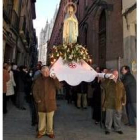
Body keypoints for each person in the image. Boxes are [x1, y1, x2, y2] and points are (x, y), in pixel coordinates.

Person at [33, 66, 60, 139]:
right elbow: (34, 91)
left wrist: (55, 79)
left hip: (50, 102)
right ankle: (41, 132)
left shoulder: (52, 79)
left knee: (50, 119)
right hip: (41, 102)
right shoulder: (38, 80)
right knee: (41, 119)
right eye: (44, 71)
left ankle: (50, 132)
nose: (46, 73)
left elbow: (59, 87)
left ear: (49, 71)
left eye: (47, 71)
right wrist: (37, 99)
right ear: (41, 72)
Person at [102, 70, 126, 135]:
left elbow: (124, 92)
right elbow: (102, 86)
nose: (116, 75)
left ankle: (118, 128)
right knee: (108, 117)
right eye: (114, 74)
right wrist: (109, 79)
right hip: (109, 102)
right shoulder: (108, 82)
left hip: (118, 103)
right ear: (112, 74)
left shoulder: (120, 83)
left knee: (118, 116)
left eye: (117, 74)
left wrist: (124, 100)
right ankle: (108, 129)